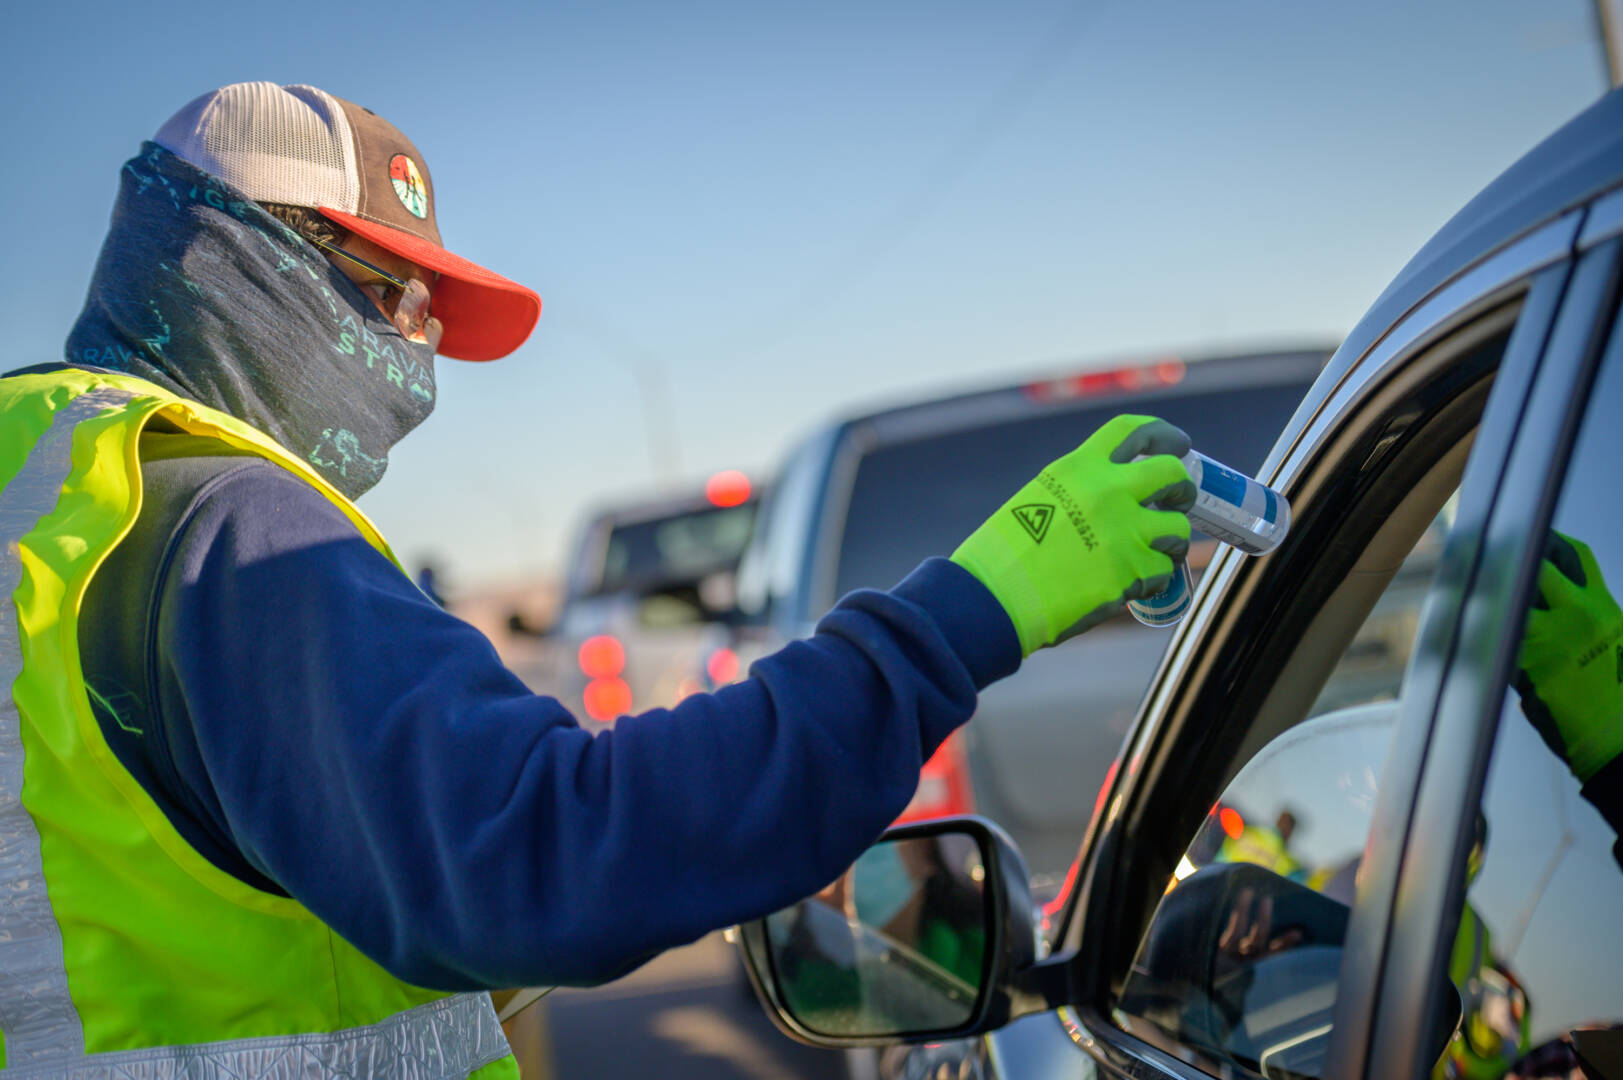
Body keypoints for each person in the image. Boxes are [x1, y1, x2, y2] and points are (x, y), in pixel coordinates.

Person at [0, 82, 1196, 1076]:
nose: (413, 355)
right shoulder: (230, 528)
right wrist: (963, 615)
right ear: (226, 258)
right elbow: (546, 852)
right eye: (385, 297)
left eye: (428, 317)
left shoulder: (51, 495)